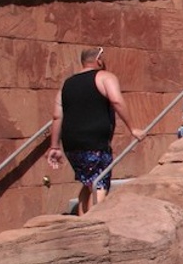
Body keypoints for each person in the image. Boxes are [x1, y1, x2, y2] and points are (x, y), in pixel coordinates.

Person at [46, 47, 144, 216]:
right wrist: (132, 128)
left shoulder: (67, 84)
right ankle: (94, 226)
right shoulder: (105, 77)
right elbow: (116, 100)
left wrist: (54, 146)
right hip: (95, 142)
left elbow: (57, 116)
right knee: (100, 185)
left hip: (71, 144)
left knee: (89, 183)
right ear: (98, 60)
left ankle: (82, 224)